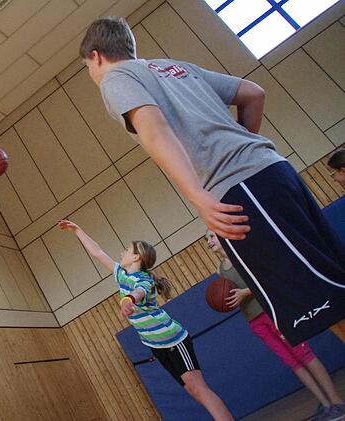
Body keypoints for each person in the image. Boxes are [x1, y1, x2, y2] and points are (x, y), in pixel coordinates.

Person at [79, 17, 345, 346]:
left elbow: (153, 127)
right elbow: (253, 93)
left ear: (97, 56)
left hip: (242, 190)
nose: (92, 75)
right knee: (333, 282)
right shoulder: (174, 67)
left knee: (323, 300)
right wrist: (242, 147)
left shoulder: (115, 78)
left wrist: (198, 196)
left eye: (87, 67)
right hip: (272, 172)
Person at [59, 219, 233, 421]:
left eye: (126, 250)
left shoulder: (144, 280)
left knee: (199, 389)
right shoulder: (121, 275)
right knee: (193, 391)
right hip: (156, 345)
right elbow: (97, 253)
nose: (121, 253)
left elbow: (139, 292)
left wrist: (128, 300)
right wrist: (78, 231)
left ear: (136, 257)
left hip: (173, 341)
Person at [206, 230, 345, 421]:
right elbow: (231, 296)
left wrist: (243, 293)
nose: (208, 241)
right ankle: (326, 405)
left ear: (223, 236)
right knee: (292, 362)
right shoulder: (220, 271)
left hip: (272, 313)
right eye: (207, 239)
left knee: (303, 354)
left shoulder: (244, 255)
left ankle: (337, 401)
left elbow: (265, 279)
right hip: (254, 321)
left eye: (211, 236)